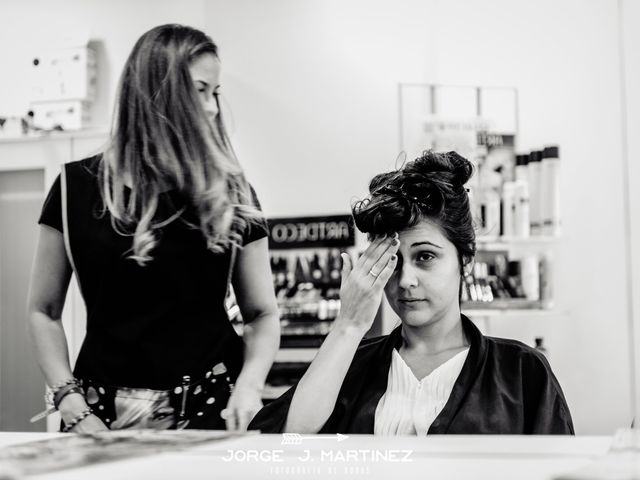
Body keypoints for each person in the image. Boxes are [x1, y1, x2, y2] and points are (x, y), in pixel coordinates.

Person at [27, 24, 280, 433]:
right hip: (99, 415)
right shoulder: (74, 188)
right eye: (199, 90)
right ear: (158, 91)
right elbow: (43, 311)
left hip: (210, 407)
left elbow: (262, 313)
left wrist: (249, 387)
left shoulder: (230, 190)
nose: (213, 107)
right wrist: (69, 402)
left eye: (215, 92)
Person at [250, 150, 573, 435]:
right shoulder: (349, 364)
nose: (405, 280)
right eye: (393, 260)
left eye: (425, 257)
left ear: (466, 261)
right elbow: (287, 443)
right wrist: (347, 327)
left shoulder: (520, 372)